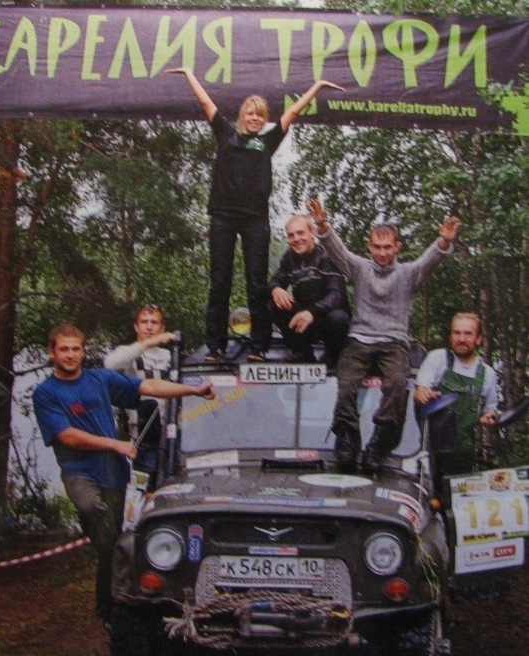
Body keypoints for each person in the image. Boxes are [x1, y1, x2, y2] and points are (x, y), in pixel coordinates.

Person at [33, 324, 215, 627]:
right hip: (79, 472)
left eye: (75, 349)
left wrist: (193, 390)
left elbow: (149, 387)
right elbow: (67, 436)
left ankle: (109, 610)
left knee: (112, 543)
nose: (70, 355)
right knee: (92, 509)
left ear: (83, 351)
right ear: (52, 352)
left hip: (114, 473)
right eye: (64, 349)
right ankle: (121, 592)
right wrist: (114, 444)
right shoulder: (46, 393)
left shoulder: (100, 379)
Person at [166, 67, 343, 363]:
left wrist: (317, 86)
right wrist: (188, 74)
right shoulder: (226, 134)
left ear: (264, 120)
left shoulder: (267, 141)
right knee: (220, 281)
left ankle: (259, 347)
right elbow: (206, 103)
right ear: (242, 116)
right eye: (250, 114)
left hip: (255, 219)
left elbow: (293, 113)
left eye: (260, 115)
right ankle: (215, 346)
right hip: (223, 217)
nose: (254, 118)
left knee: (257, 283)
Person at [308, 198, 461, 473]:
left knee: (398, 384)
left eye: (387, 247)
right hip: (360, 339)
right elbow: (337, 250)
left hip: (394, 342)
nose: (382, 253)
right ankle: (348, 437)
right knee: (346, 383)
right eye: (377, 247)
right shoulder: (359, 268)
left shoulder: (407, 274)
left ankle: (380, 442)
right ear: (369, 247)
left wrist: (444, 241)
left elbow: (430, 261)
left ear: (397, 247)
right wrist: (322, 225)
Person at [414, 312, 498, 476]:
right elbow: (420, 391)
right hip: (428, 451)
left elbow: (490, 410)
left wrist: (489, 417)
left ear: (478, 339)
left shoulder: (487, 374)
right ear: (450, 336)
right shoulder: (438, 359)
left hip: (462, 457)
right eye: (456, 333)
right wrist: (423, 394)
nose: (461, 339)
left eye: (468, 334)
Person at [268, 213, 350, 366]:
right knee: (274, 302)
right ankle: (302, 352)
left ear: (312, 233)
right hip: (302, 322)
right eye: (291, 235)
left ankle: (333, 356)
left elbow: (337, 295)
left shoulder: (327, 256)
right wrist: (276, 288)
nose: (296, 239)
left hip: (328, 320)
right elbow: (276, 279)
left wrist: (312, 312)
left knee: (338, 317)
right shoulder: (289, 258)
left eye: (300, 233)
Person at [104, 304, 176, 476]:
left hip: (172, 435)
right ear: (136, 326)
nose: (149, 326)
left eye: (154, 322)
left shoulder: (171, 357)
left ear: (162, 327)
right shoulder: (128, 353)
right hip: (142, 436)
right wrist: (146, 344)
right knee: (145, 485)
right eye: (144, 322)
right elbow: (110, 364)